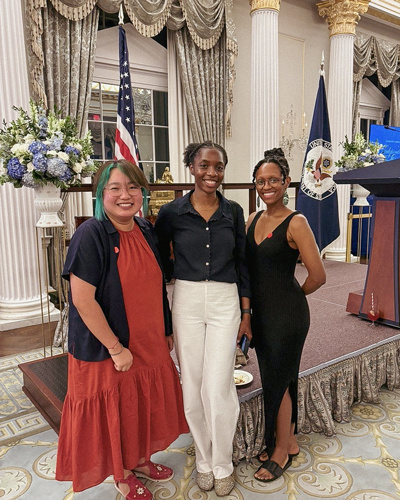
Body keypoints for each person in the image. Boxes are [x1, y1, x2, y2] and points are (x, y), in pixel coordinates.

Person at [55, 160, 189, 499]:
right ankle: (123, 471)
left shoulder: (145, 229)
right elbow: (83, 302)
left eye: (133, 188)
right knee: (116, 409)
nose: (125, 195)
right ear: (101, 194)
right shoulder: (91, 234)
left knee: (139, 406)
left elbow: (157, 285)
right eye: (115, 188)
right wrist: (116, 348)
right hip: (108, 348)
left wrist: (167, 328)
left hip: (148, 339)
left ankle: (140, 459)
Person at [154, 141, 251, 497]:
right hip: (187, 300)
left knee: (217, 385)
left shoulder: (234, 211)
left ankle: (223, 461)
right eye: (205, 165)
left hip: (226, 300)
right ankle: (205, 460)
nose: (212, 173)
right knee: (192, 385)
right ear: (191, 167)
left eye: (219, 167)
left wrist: (245, 312)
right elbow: (160, 264)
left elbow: (243, 263)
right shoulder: (172, 213)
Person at [246, 148, 326, 482]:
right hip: (261, 315)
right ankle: (288, 440)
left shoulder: (297, 221)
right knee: (278, 376)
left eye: (273, 180)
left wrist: (291, 296)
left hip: (288, 316)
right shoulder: (252, 218)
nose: (267, 186)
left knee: (278, 377)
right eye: (261, 181)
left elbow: (318, 275)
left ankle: (280, 451)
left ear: (286, 182)